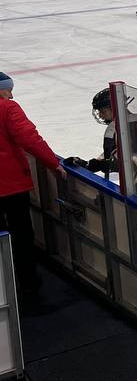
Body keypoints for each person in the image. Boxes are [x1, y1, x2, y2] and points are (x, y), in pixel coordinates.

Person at [0, 71, 65, 299]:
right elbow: (29, 138)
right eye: (8, 90)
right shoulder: (7, 108)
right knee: (21, 234)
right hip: (10, 186)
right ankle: (27, 283)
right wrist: (53, 163)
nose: (11, 95)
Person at [68, 88, 137, 210]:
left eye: (103, 111)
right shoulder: (117, 126)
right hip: (136, 186)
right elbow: (115, 152)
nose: (100, 115)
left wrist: (110, 165)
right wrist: (90, 164)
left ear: (115, 108)